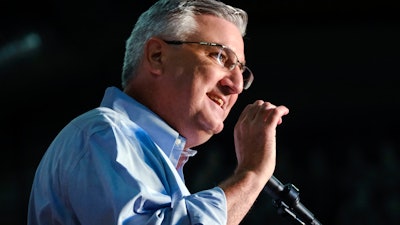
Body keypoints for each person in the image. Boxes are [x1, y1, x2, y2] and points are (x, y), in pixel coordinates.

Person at [27, 0, 289, 224]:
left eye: (241, 71)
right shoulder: (102, 134)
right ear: (156, 56)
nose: (237, 85)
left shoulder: (145, 155)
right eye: (220, 57)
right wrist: (251, 174)